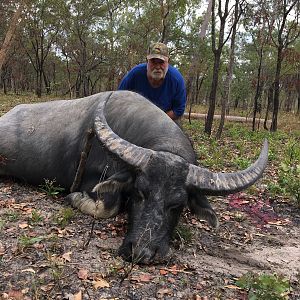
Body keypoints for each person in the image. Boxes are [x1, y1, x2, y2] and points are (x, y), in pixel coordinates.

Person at [118, 42, 186, 120]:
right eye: (153, 62)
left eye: (161, 62)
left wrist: (154, 121)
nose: (157, 67)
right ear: (147, 61)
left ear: (168, 62)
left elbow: (178, 110)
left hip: (166, 119)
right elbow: (119, 98)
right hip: (136, 118)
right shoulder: (135, 74)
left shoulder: (176, 79)